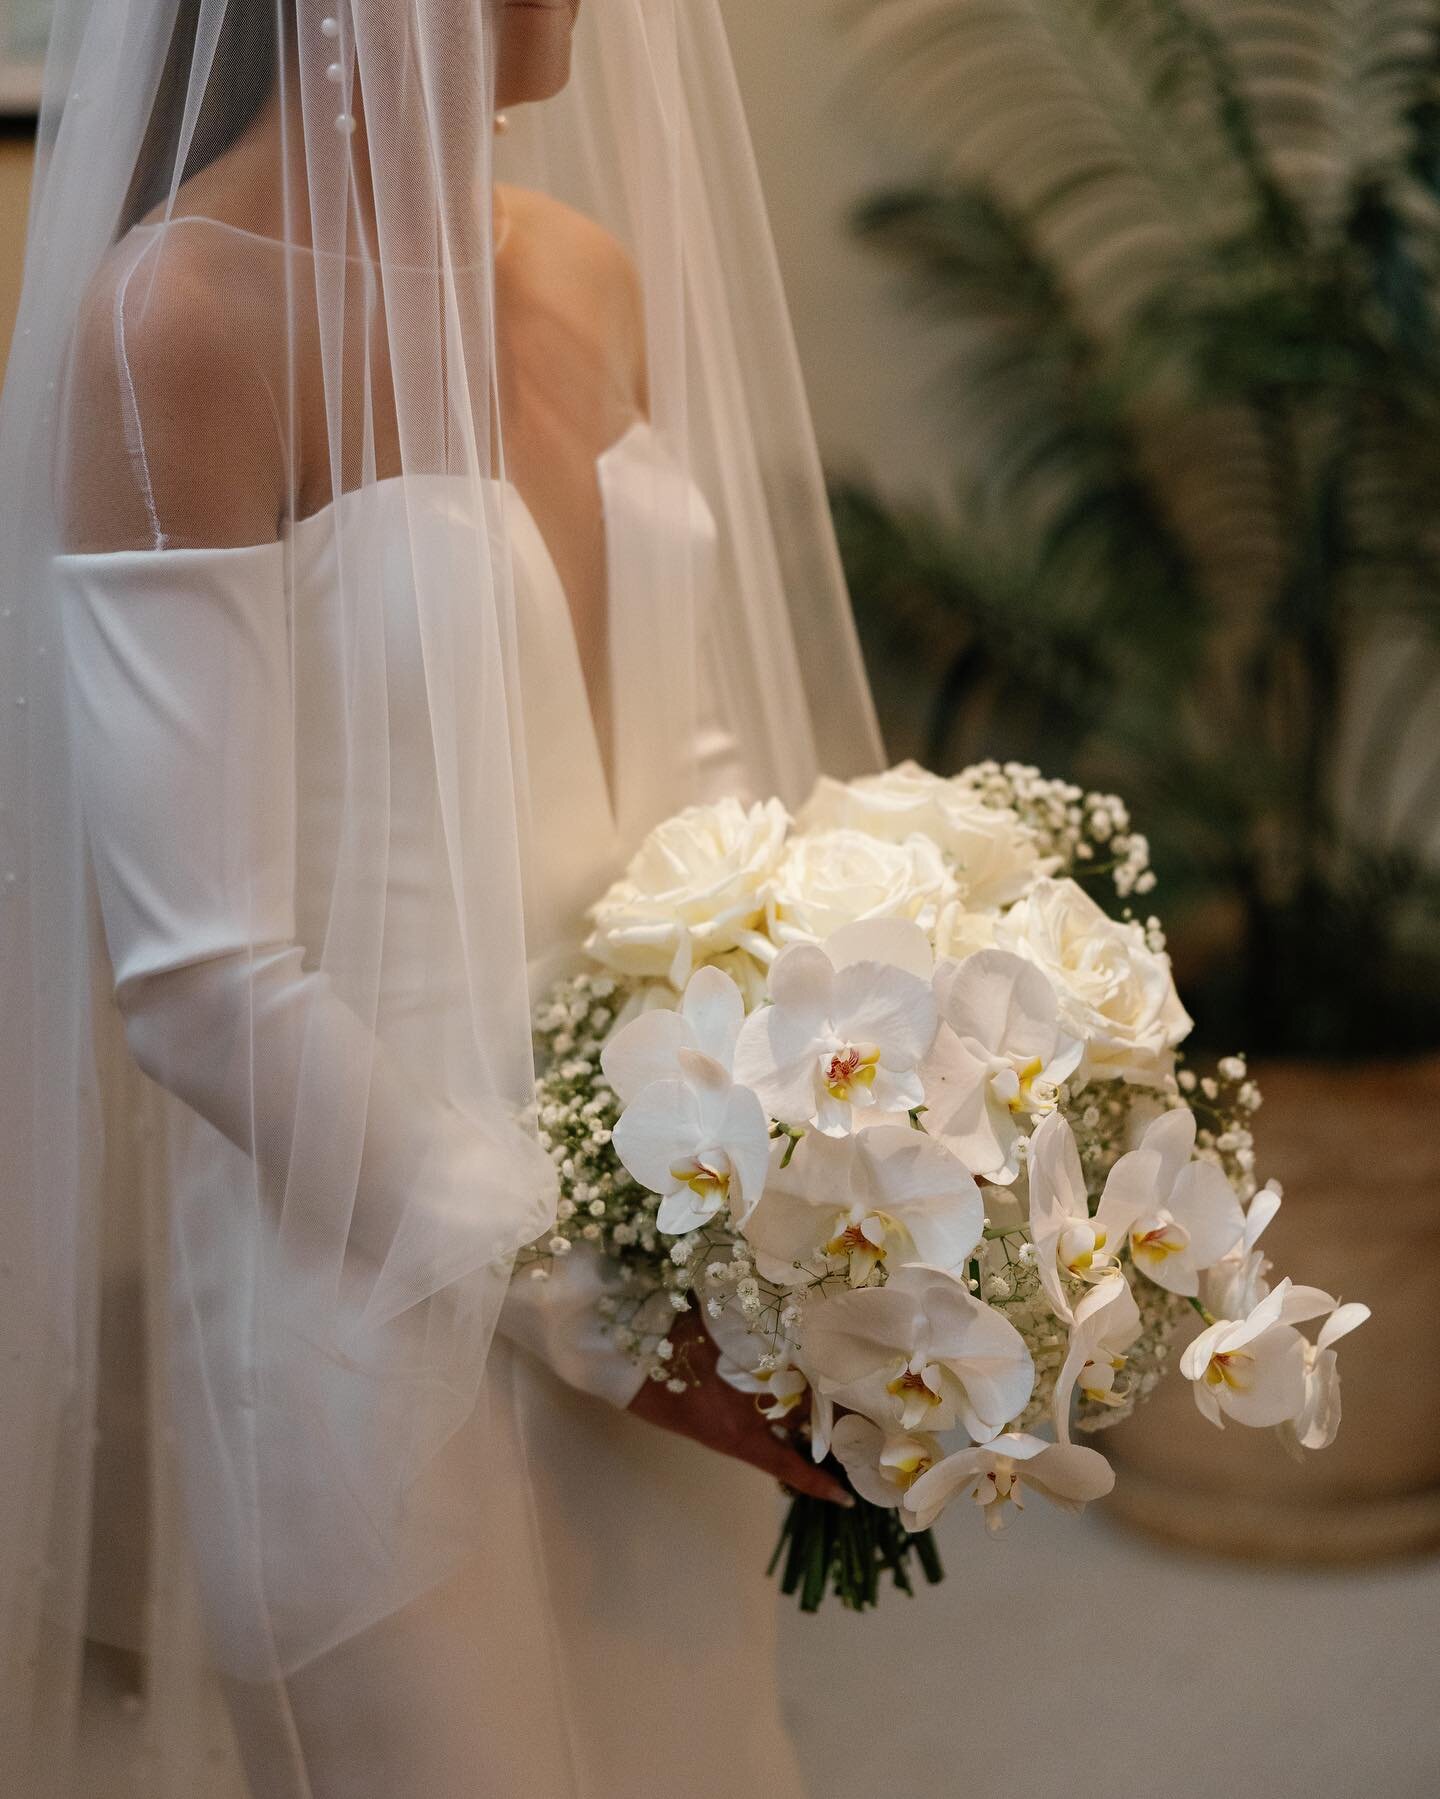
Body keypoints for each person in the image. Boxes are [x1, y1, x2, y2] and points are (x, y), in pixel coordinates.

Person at [0, 4, 883, 1794]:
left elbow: (687, 766)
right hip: (372, 1304)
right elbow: (199, 982)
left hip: (669, 1235)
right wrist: (605, 1312)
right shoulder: (181, 323)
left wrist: (837, 1128)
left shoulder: (585, 272)